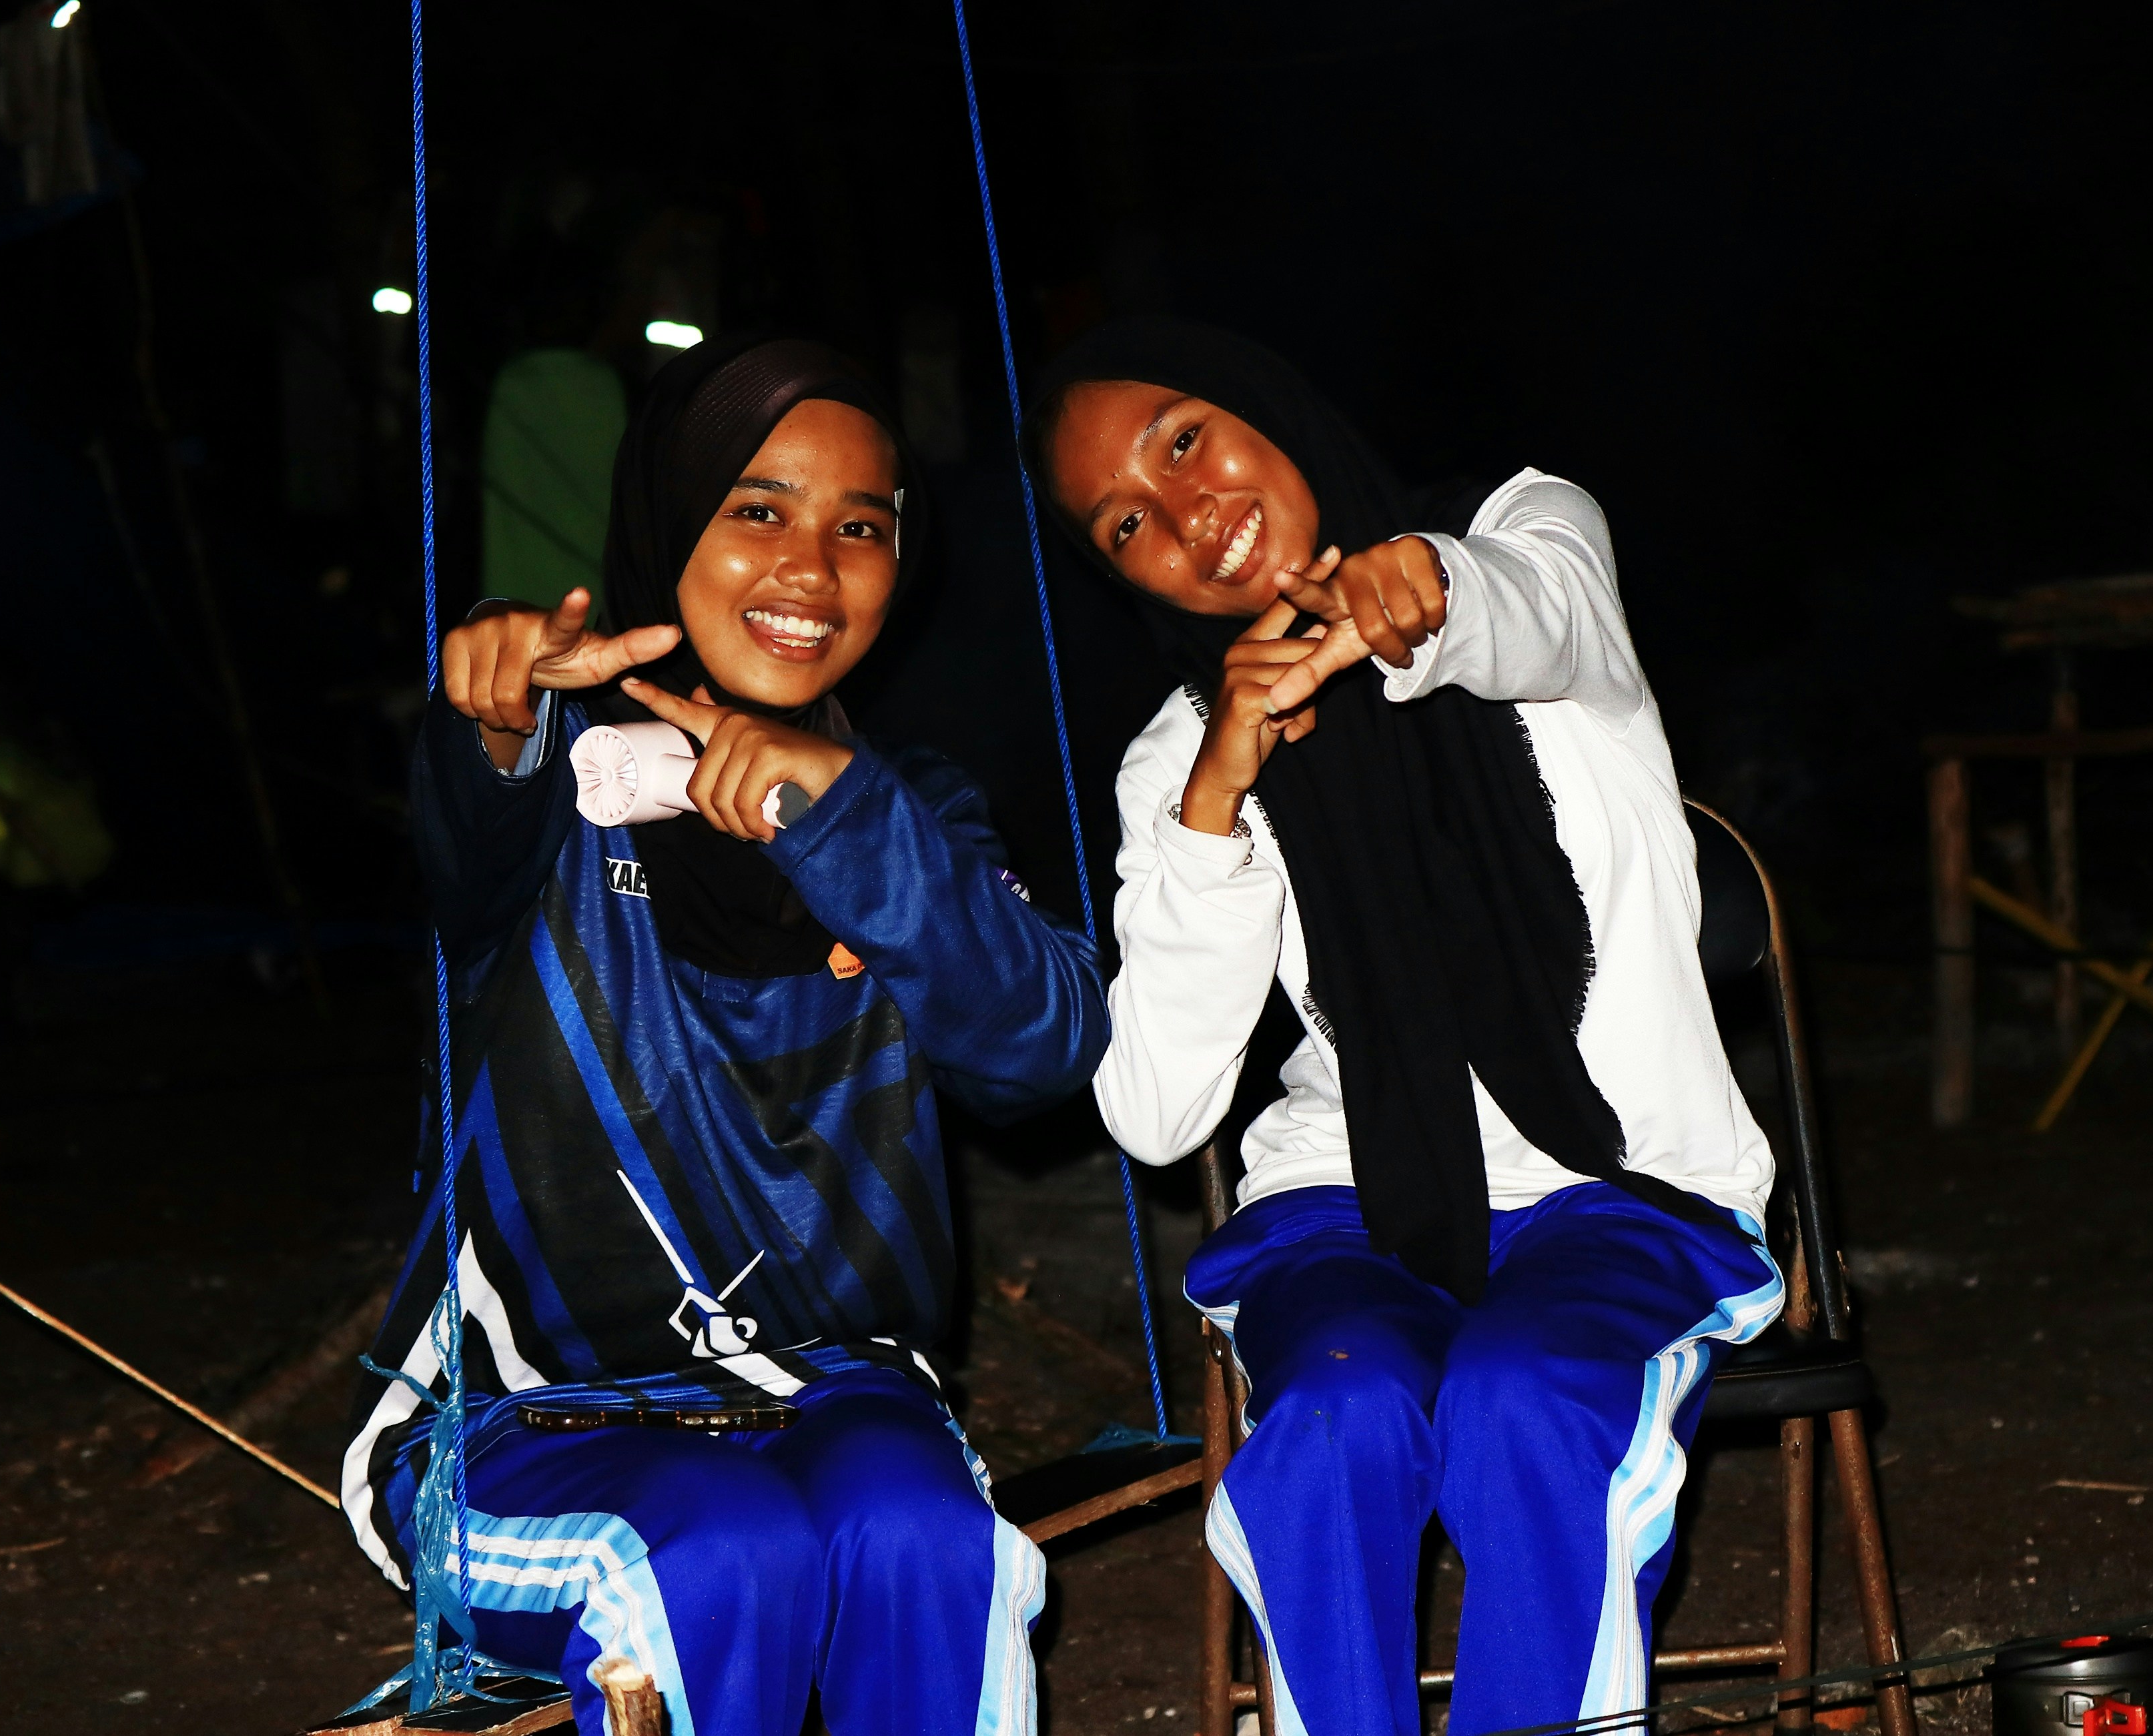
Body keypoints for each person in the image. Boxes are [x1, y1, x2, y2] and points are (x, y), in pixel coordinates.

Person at [342, 336, 1107, 1736]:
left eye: (859, 526)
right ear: (665, 517)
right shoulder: (551, 774)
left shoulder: (910, 811)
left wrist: (853, 827)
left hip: (834, 1387)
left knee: (933, 1539)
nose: (810, 568)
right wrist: (498, 710)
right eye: (758, 508)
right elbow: (471, 819)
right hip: (527, 1415)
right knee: (718, 1553)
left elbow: (1044, 1050)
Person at [1025, 320, 1781, 1735]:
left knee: (1520, 1394)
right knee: (1335, 1413)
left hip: (1622, 1190)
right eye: (1125, 519)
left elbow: (1539, 607)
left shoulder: (1518, 528)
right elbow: (1156, 1110)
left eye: (1185, 436)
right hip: (1350, 1203)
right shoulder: (1177, 749)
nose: (1185, 514)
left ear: (1261, 399)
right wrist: (1214, 802)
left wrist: (1428, 591)